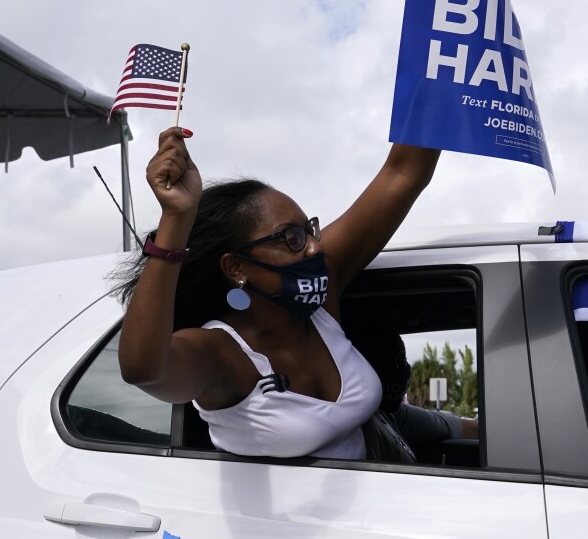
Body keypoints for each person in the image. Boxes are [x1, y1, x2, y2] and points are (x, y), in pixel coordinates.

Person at [115, 127, 439, 459]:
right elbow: (144, 369)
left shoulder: (319, 307)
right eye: (291, 237)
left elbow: (403, 174)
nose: (314, 247)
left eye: (308, 230)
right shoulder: (222, 353)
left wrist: (438, 78)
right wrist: (176, 218)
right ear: (236, 268)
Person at [351, 328, 480, 463]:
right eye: (384, 362)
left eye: (402, 359)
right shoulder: (359, 427)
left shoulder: (387, 414)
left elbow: (444, 424)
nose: (397, 370)